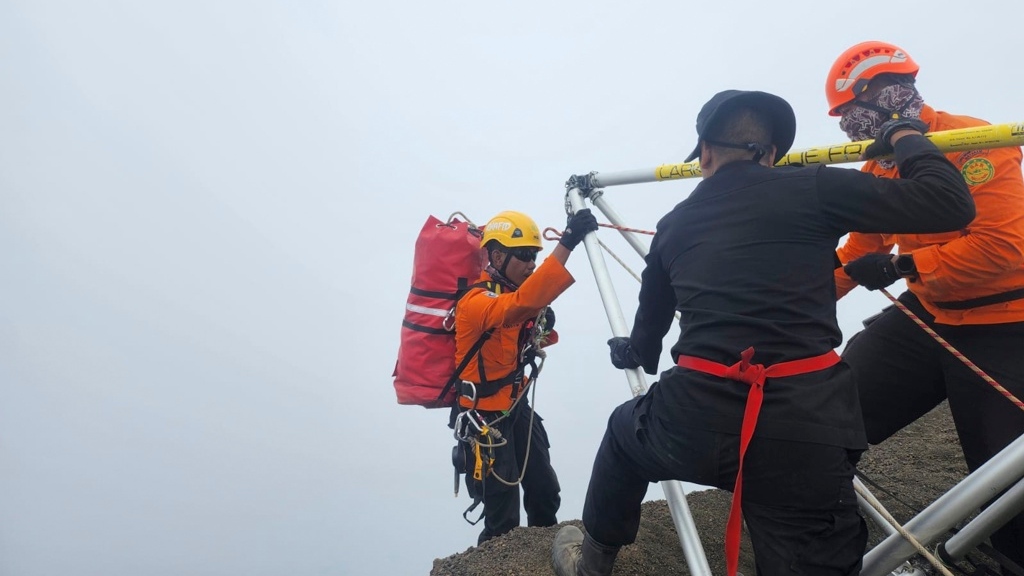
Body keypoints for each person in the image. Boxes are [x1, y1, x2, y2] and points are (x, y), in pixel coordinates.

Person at [551, 89, 975, 576]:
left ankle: (593, 564)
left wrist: (628, 350)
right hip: (801, 434)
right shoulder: (814, 187)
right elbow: (949, 204)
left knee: (622, 436)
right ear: (772, 154)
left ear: (705, 152)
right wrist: (904, 134)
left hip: (689, 425)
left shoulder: (674, 223)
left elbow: (647, 344)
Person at [827, 40, 1024, 569]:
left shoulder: (975, 141)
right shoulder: (881, 166)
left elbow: (1004, 247)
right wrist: (790, 298)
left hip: (1007, 324)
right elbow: (859, 252)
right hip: (927, 314)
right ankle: (819, 533)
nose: (849, 129)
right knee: (825, 415)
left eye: (851, 114)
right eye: (843, 119)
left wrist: (902, 268)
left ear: (884, 96)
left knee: (1007, 482)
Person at [451, 208, 598, 545]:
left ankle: (545, 556)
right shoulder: (477, 301)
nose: (532, 263)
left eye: (534, 255)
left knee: (544, 491)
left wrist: (542, 323)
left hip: (515, 408)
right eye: (524, 256)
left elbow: (527, 323)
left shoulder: (512, 298)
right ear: (497, 256)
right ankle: (497, 563)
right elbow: (516, 308)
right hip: (483, 419)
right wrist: (568, 242)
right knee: (502, 517)